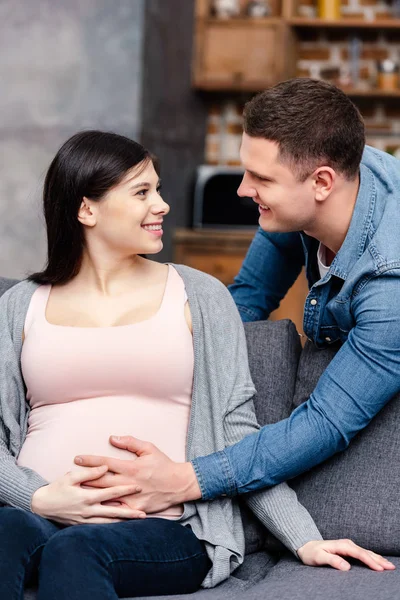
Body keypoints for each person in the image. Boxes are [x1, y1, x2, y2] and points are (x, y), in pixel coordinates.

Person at [1, 130, 392, 600]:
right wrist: (38, 497)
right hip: (36, 514)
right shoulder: (19, 305)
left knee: (80, 551)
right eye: (142, 192)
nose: (163, 205)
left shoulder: (199, 296)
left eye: (159, 189)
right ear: (87, 210)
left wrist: (303, 537)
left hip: (169, 526)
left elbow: (237, 432)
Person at [74, 79, 400, 523]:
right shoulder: (318, 193)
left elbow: (326, 423)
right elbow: (244, 304)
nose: (243, 189)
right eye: (247, 170)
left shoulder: (389, 287)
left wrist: (188, 479)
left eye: (261, 178)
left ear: (322, 182)